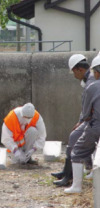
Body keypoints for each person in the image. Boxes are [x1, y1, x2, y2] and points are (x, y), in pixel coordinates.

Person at [52, 54, 95, 187]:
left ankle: (69, 177)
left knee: (75, 138)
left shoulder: (91, 81)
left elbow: (87, 106)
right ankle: (67, 171)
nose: (74, 75)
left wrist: (82, 121)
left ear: (80, 69)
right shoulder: (91, 78)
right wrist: (80, 120)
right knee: (74, 137)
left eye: (74, 72)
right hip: (91, 119)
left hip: (93, 121)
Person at [64, 53, 100, 193]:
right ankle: (88, 172)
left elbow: (86, 113)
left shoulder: (92, 86)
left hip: (95, 124)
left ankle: (76, 186)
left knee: (78, 151)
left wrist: (82, 121)